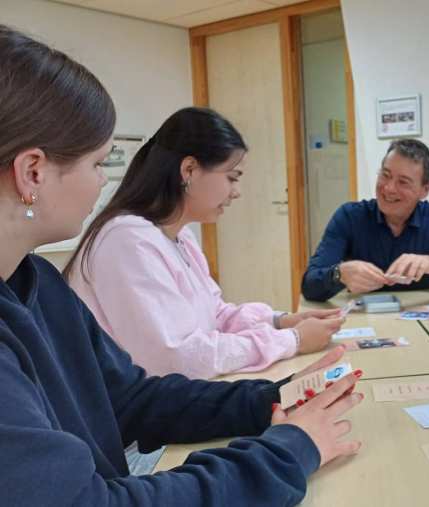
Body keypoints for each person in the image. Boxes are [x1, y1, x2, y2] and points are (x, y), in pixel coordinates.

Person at [0, 25, 362, 505]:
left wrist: (272, 397)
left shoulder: (38, 282)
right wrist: (287, 452)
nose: (103, 181)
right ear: (32, 172)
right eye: (98, 164)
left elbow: (131, 398)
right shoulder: (124, 238)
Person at [66, 107, 344, 379]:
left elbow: (216, 316)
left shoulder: (179, 236)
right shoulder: (128, 240)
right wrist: (292, 340)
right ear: (189, 170)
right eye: (232, 178)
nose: (236, 192)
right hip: (129, 404)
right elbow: (177, 357)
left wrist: (279, 321)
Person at [301, 139, 429, 301]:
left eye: (403, 182)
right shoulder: (349, 216)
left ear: (425, 189)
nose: (389, 188)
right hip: (364, 317)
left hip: (424, 317)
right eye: (385, 175)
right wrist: (339, 274)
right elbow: (309, 286)